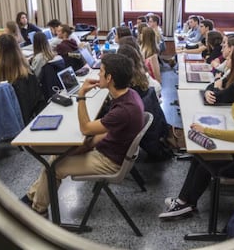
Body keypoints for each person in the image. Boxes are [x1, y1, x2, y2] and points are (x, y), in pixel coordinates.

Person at [21, 53, 145, 217]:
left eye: (101, 71)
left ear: (109, 78)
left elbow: (85, 128)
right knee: (55, 157)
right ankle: (33, 196)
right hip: (111, 149)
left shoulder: (123, 110)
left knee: (54, 168)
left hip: (110, 161)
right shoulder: (130, 95)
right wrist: (85, 146)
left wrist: (81, 95)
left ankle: (38, 210)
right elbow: (108, 132)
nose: (98, 74)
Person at [159, 60, 234, 219]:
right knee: (200, 156)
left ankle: (186, 204)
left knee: (206, 163)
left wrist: (206, 130)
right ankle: (185, 202)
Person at [0, 34, 46, 125]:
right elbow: (37, 98)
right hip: (28, 116)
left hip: (8, 118)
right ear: (17, 46)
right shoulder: (26, 68)